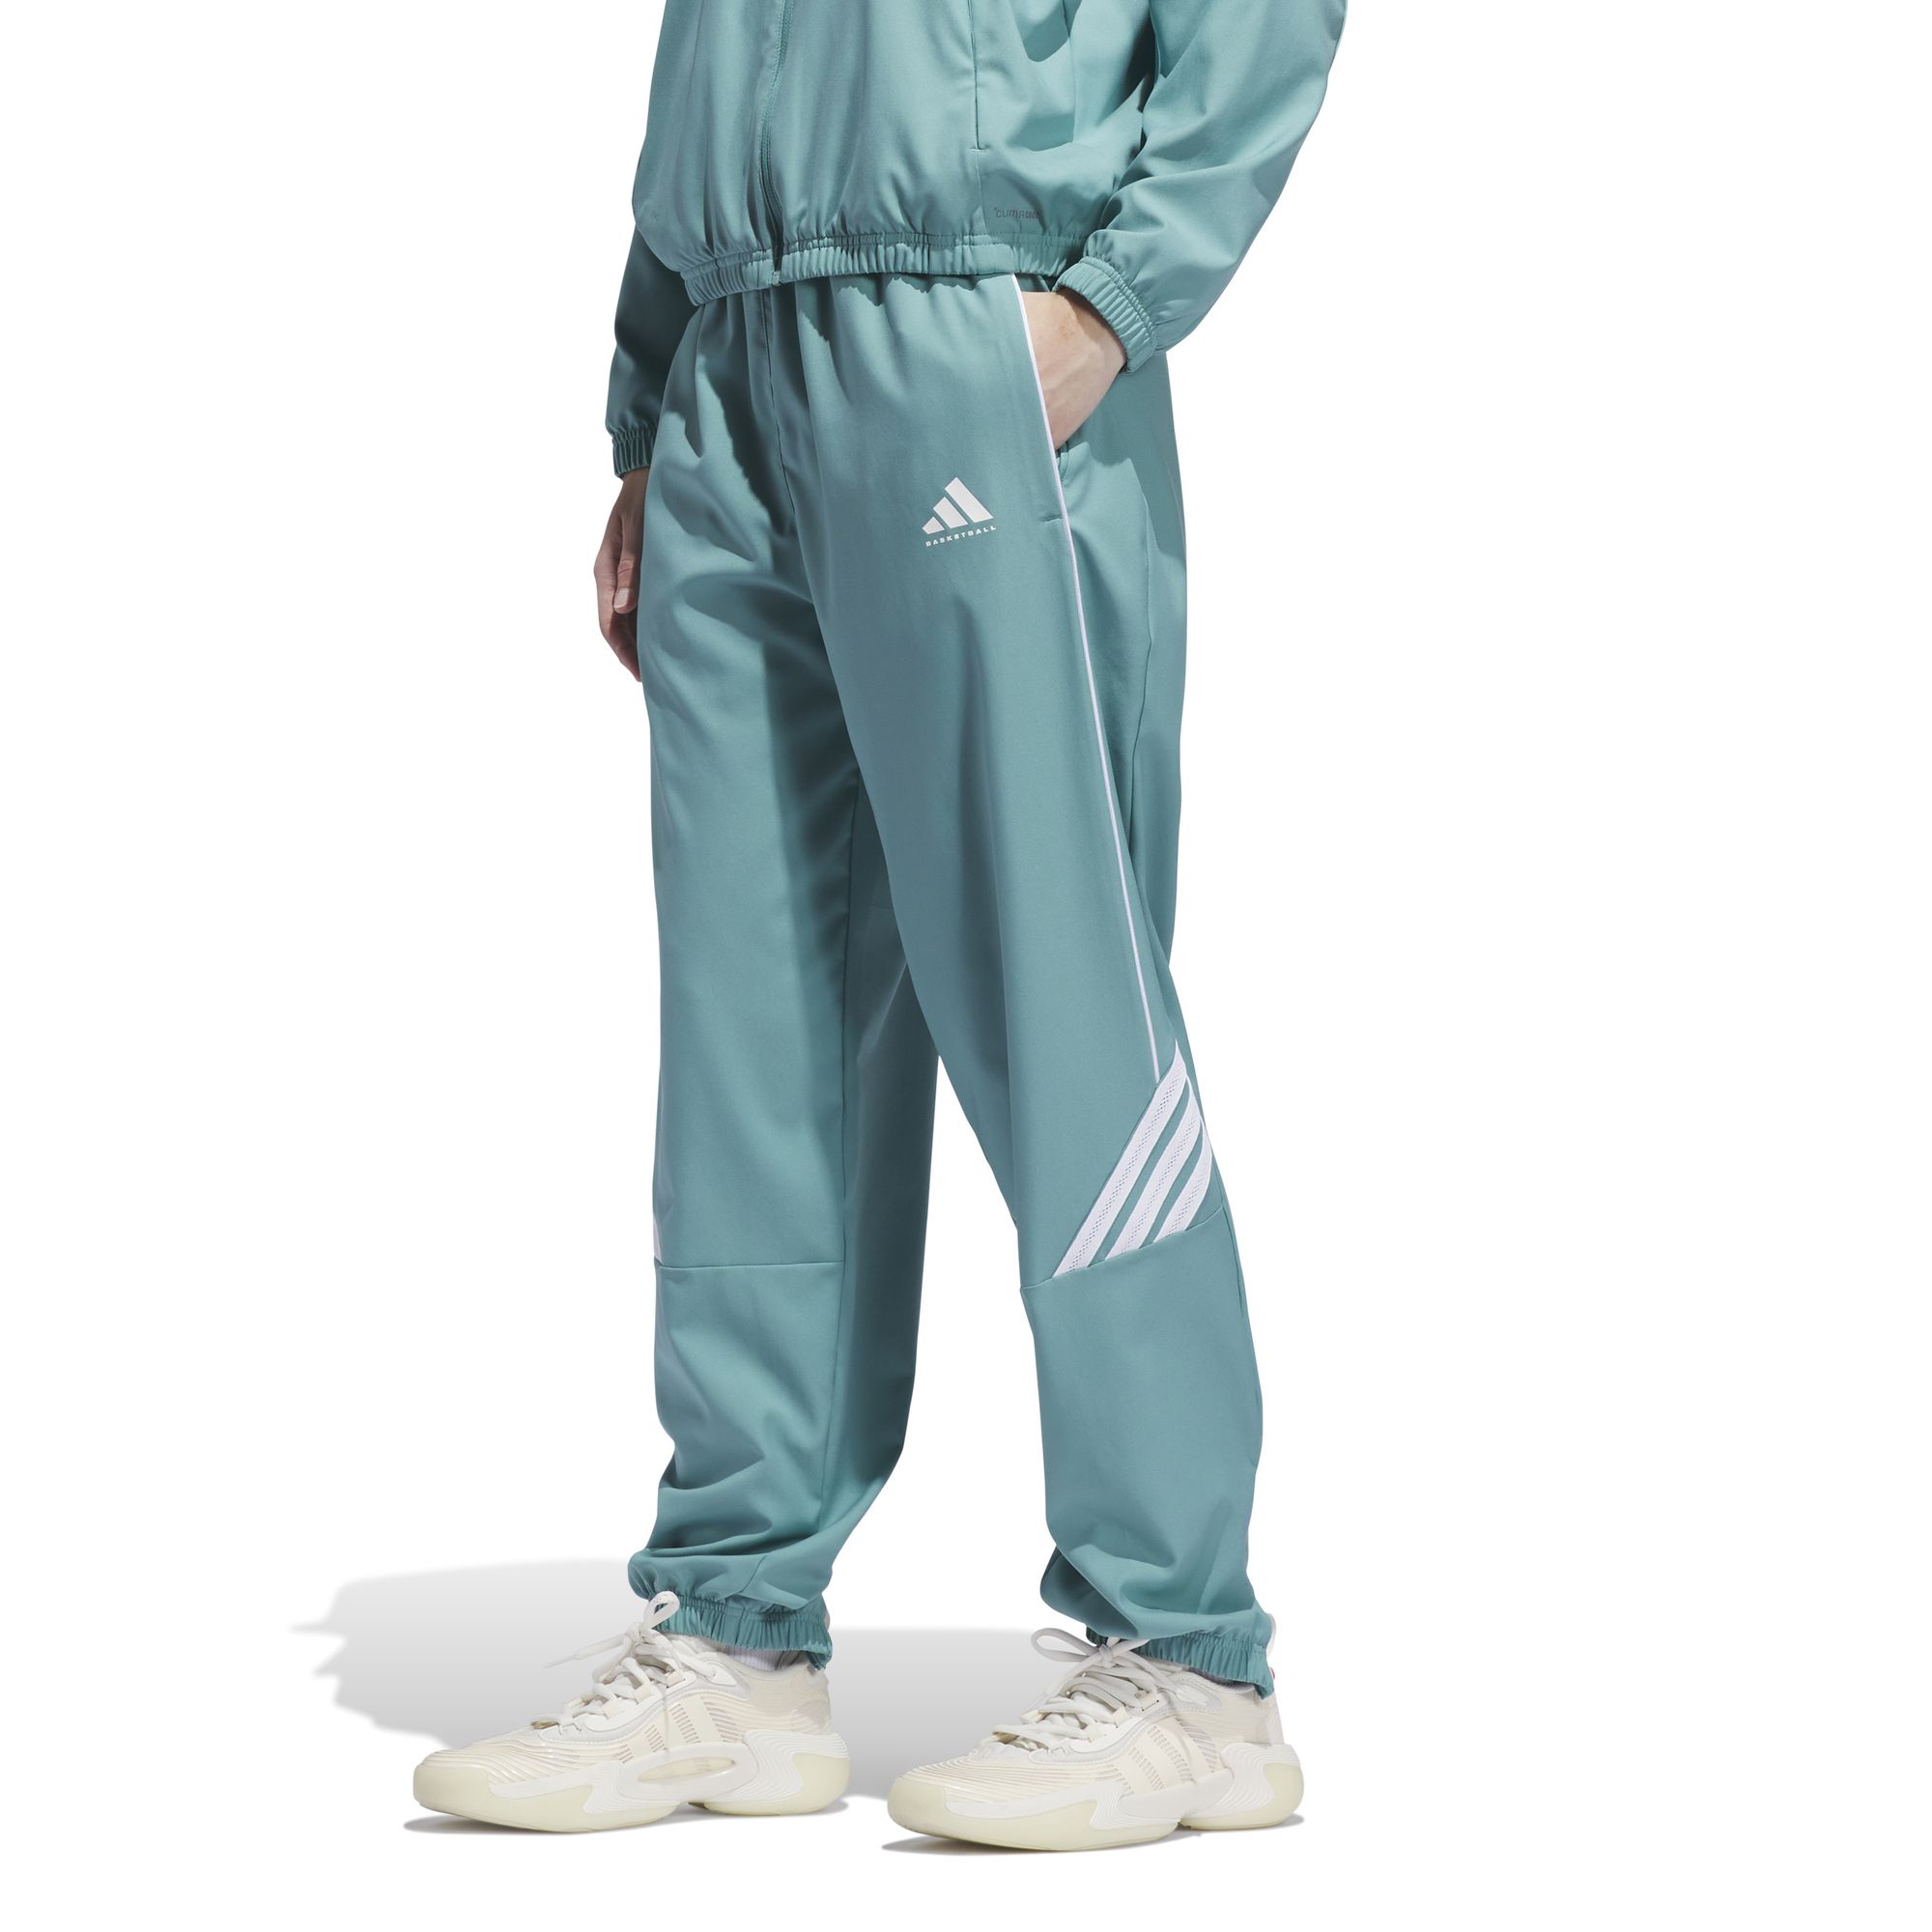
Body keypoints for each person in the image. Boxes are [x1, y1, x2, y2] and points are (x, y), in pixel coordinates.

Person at [413, 0, 1345, 1852]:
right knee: (754, 1034)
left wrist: (1108, 305)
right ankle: (737, 1630)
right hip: (734, 370)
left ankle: (1188, 1659)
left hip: (972, 335)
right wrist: (653, 395)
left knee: (1060, 1005)